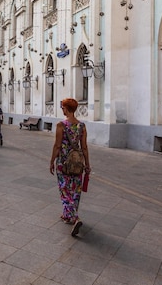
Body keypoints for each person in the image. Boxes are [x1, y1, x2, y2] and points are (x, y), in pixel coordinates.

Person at [49, 98, 91, 237]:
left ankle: (75, 218)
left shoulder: (61, 125)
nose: (62, 109)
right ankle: (68, 215)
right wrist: (87, 165)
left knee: (65, 190)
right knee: (75, 190)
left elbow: (57, 145)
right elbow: (84, 147)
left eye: (63, 107)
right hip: (77, 162)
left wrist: (51, 161)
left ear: (67, 108)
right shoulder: (82, 126)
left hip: (63, 162)